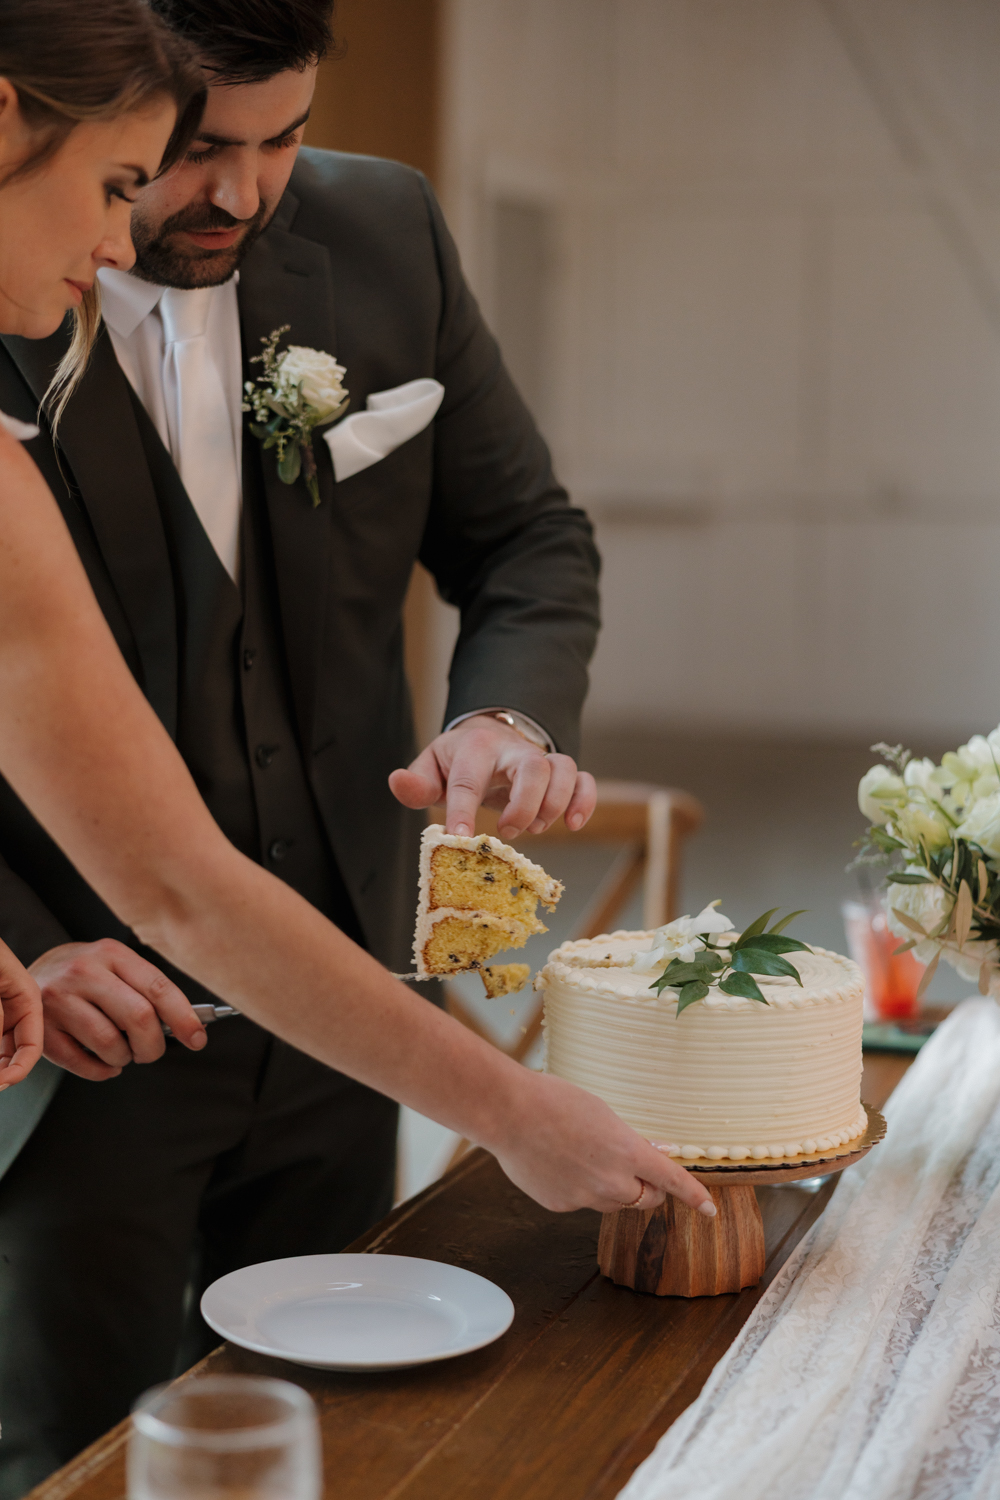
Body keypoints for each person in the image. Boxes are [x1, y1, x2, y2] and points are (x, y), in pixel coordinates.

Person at [0, 1, 713, 1491]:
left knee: (344, 1442)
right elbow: (175, 879)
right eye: (158, 166)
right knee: (78, 1457)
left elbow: (526, 532)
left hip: (344, 991)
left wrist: (501, 718)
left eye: (287, 141)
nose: (233, 198)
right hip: (79, 1047)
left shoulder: (382, 234)